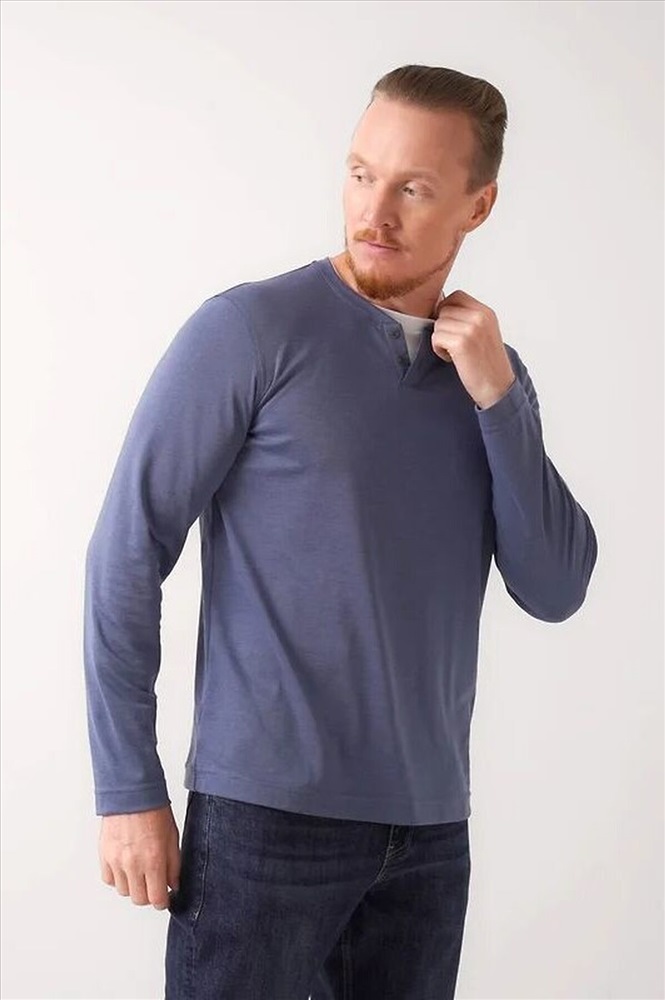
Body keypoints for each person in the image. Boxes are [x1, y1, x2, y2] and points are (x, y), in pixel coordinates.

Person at [83, 64, 599, 999]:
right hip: (263, 820)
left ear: (477, 207)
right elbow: (127, 550)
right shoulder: (249, 330)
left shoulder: (488, 377)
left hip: (429, 833)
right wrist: (128, 789)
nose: (374, 211)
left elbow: (555, 586)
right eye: (361, 174)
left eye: (413, 188)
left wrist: (498, 396)